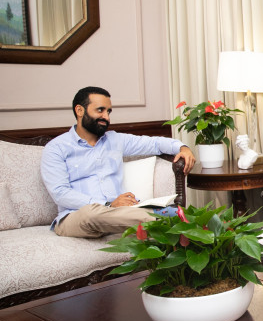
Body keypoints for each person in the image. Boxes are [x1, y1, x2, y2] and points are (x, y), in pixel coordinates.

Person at [41, 86, 196, 238]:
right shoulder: (56, 148)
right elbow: (60, 193)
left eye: (108, 112)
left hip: (118, 213)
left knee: (119, 212)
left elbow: (155, 143)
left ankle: (163, 218)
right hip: (75, 216)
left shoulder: (115, 140)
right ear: (79, 110)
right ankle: (170, 218)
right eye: (100, 110)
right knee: (90, 213)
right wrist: (107, 204)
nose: (106, 117)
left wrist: (183, 148)